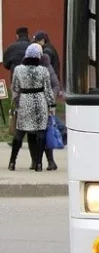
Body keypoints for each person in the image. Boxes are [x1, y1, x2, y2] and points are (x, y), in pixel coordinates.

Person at [8, 43, 55, 172]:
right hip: (40, 102)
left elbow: (15, 87)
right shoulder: (43, 70)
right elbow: (48, 90)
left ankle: (12, 162)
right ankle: (38, 163)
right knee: (40, 133)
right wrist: (51, 105)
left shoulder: (18, 69)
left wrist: (16, 101)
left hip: (25, 102)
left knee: (19, 133)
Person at [39, 52, 61, 171]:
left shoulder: (46, 65)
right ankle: (36, 161)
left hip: (46, 105)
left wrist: (50, 101)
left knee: (46, 132)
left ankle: (50, 161)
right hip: (33, 104)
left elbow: (56, 85)